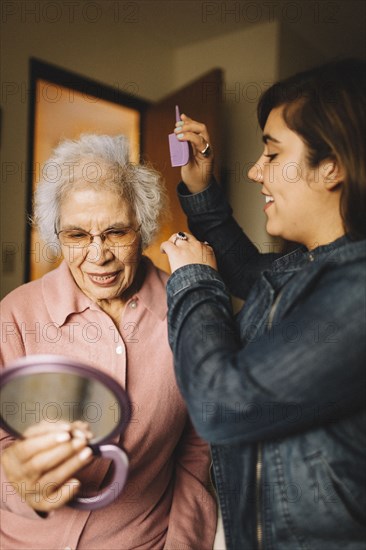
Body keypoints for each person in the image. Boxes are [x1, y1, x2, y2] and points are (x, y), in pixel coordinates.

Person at [160, 58, 366, 549]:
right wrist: (199, 184)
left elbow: (221, 404)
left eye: (272, 155)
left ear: (332, 165)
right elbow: (250, 272)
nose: (255, 171)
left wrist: (193, 282)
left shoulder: (356, 293)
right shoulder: (310, 267)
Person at [0, 134, 217, 549]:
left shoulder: (188, 310)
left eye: (116, 232)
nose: (98, 255)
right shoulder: (14, 315)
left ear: (144, 226)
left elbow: (198, 448)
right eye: (77, 236)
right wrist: (16, 483)